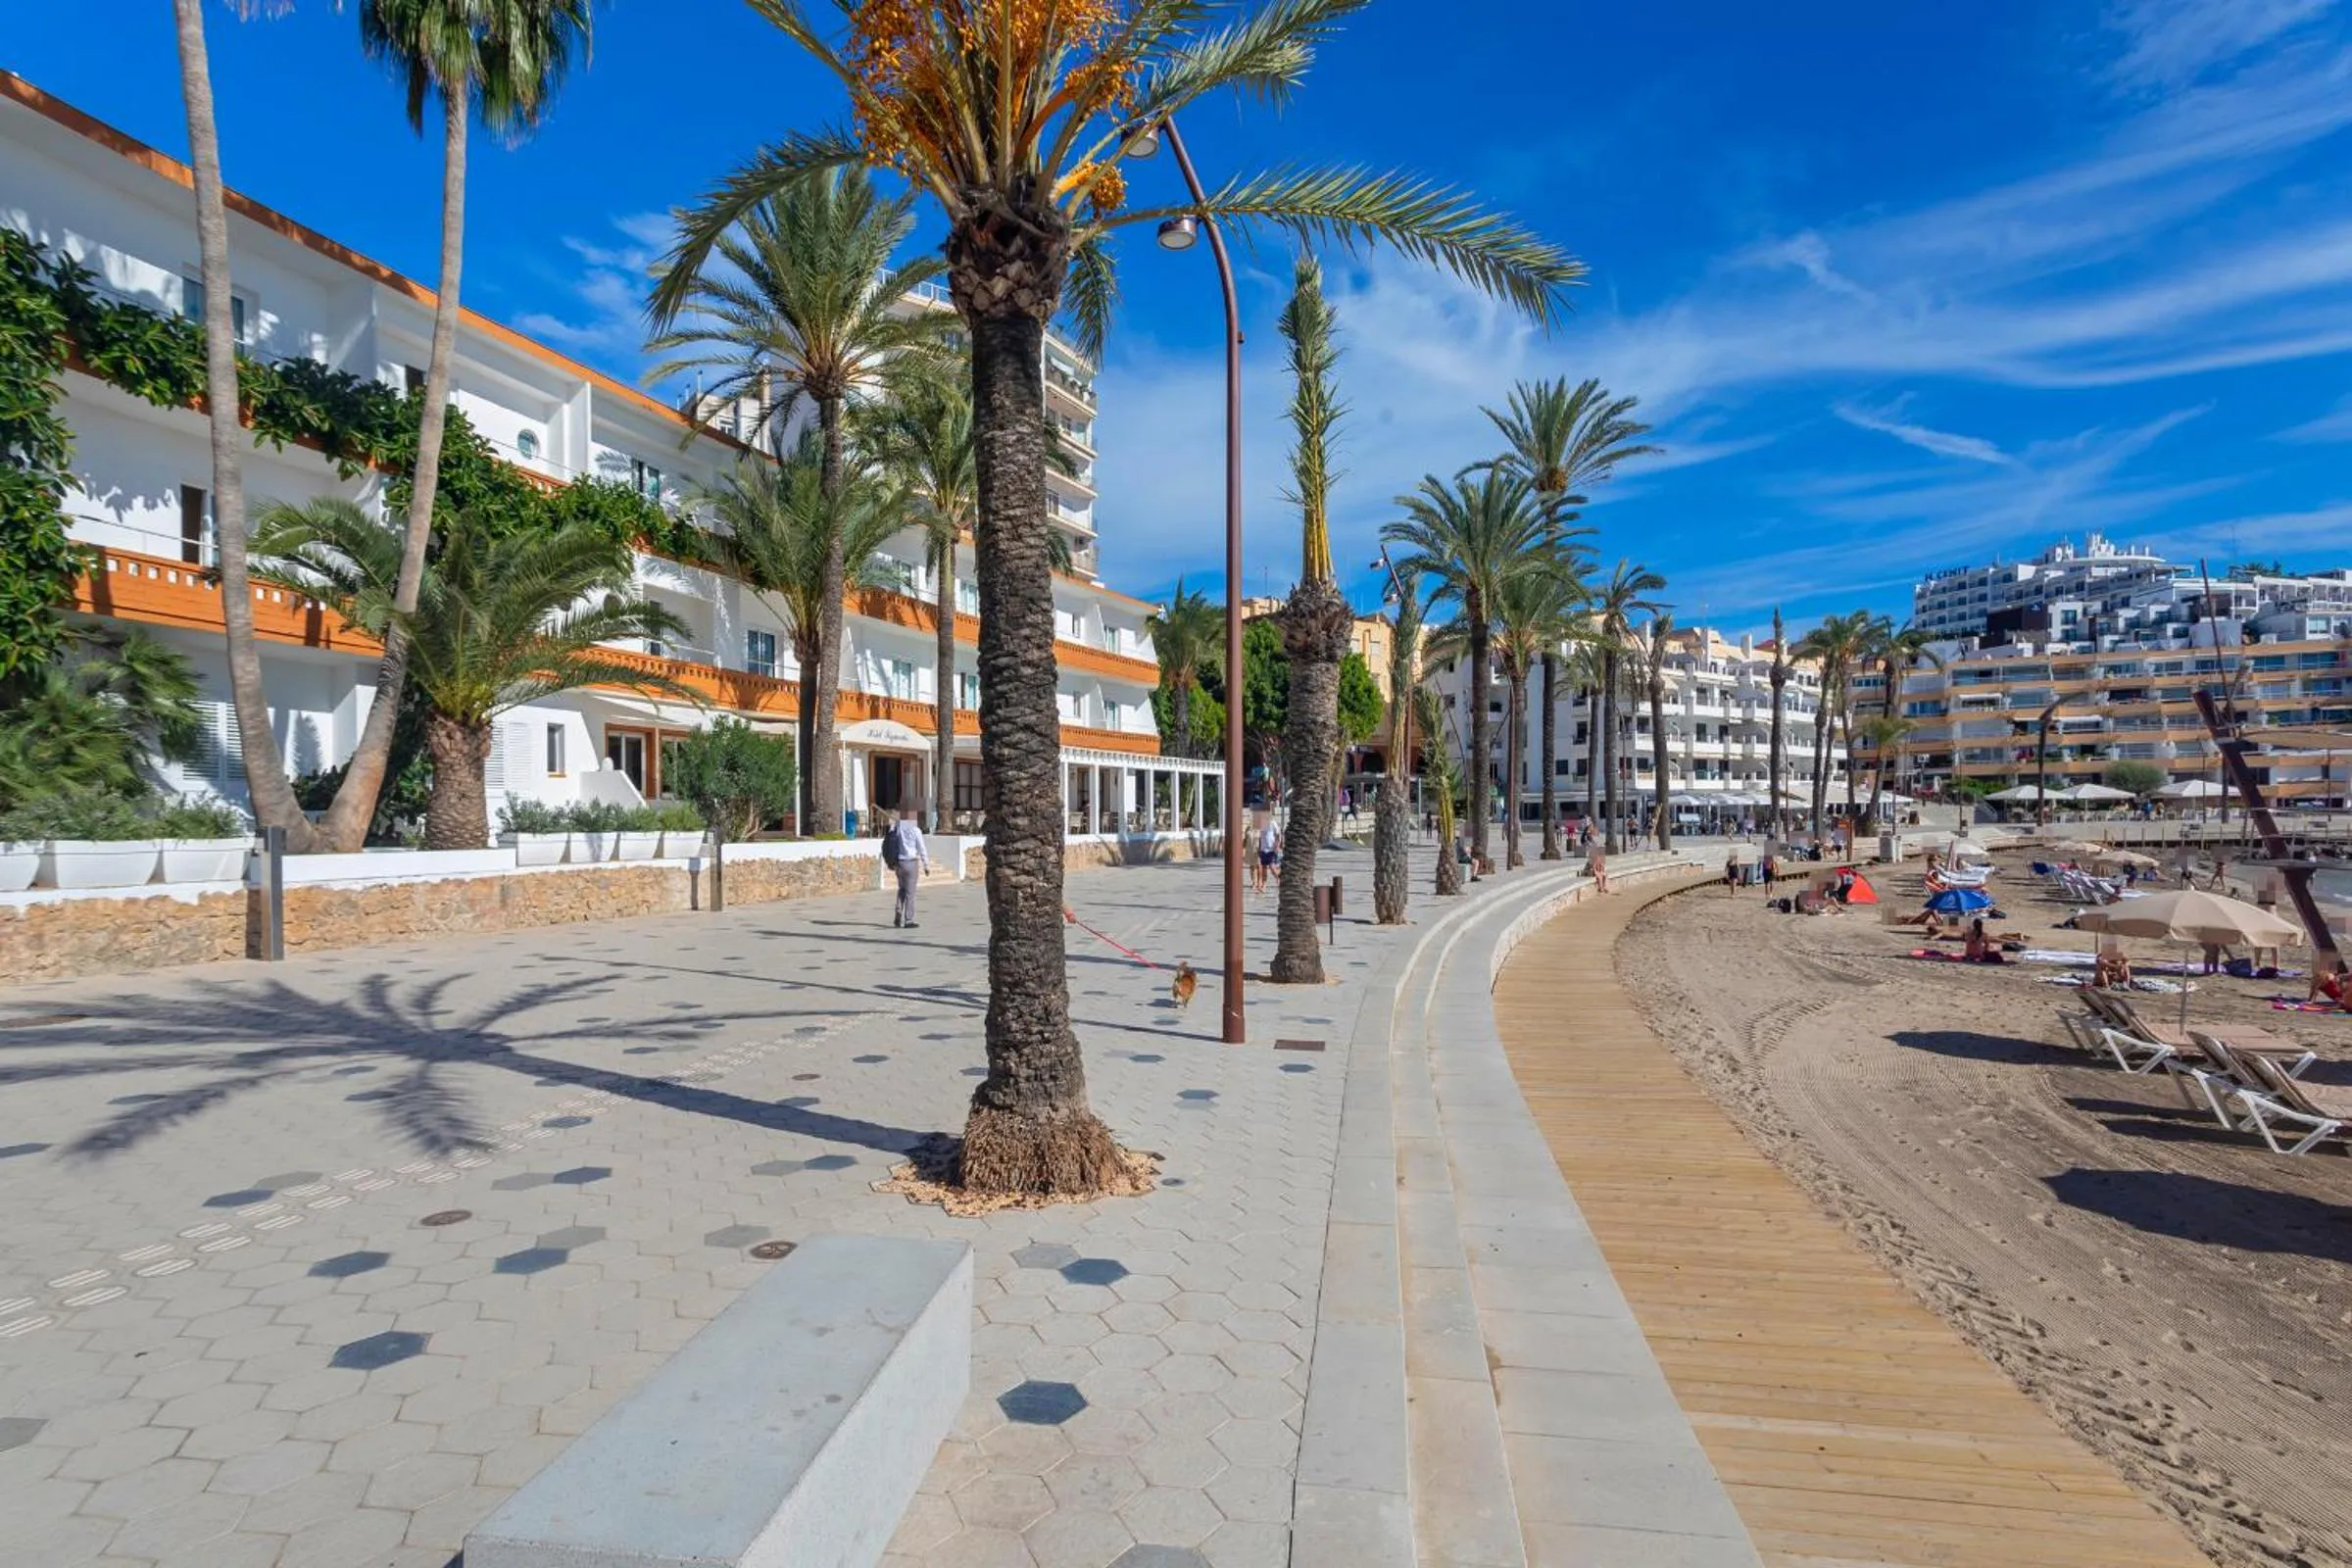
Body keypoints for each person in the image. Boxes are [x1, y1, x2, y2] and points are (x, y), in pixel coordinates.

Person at [884, 808, 928, 928]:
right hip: (911, 862)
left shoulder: (898, 828)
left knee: (901, 890)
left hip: (899, 862)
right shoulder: (916, 830)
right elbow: (922, 848)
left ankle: (897, 917)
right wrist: (926, 864)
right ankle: (909, 920)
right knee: (910, 893)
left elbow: (891, 839)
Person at [1253, 814, 1280, 894]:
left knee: (1272, 868)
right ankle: (1264, 885)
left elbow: (1278, 835)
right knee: (1263, 868)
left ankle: (1279, 878)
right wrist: (1259, 848)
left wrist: (1277, 845)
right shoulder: (1261, 825)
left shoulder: (1273, 823)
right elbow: (1260, 837)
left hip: (1271, 849)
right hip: (1263, 850)